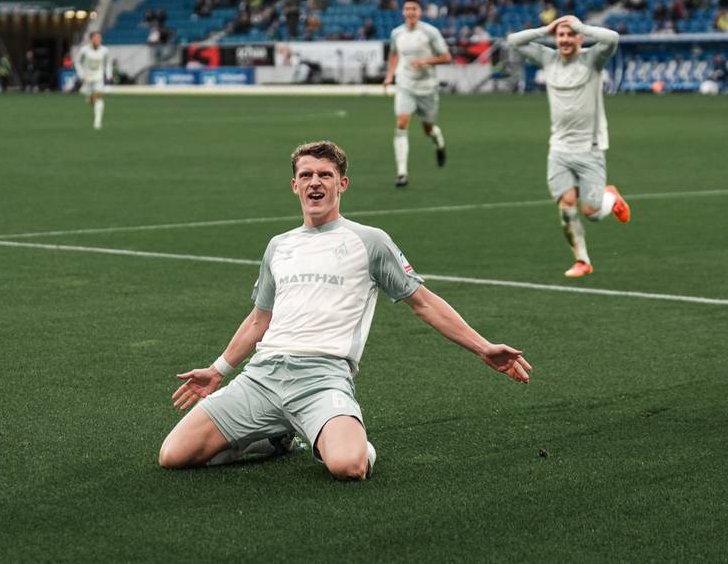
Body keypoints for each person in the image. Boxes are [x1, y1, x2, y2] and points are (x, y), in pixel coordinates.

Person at [158, 141, 532, 480]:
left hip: (323, 378)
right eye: (306, 175)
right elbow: (260, 318)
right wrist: (218, 370)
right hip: (263, 376)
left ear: (342, 184)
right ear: (294, 185)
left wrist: (483, 347)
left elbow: (424, 303)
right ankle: (273, 439)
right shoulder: (278, 246)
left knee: (349, 467)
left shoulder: (370, 241)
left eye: (325, 175)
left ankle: (338, 438)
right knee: (173, 455)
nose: (315, 182)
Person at [507, 15, 631, 278]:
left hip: (590, 148)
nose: (564, 40)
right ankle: (582, 260)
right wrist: (546, 29)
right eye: (560, 35)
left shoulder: (592, 60)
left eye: (569, 35)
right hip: (559, 149)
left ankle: (611, 197)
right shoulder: (548, 58)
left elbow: (613, 38)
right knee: (566, 207)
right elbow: (513, 41)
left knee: (592, 212)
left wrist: (580, 26)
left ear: (579, 39)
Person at [383, 0, 452, 188]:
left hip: (428, 87)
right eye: (407, 9)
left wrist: (424, 62)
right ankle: (402, 173)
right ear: (403, 12)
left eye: (414, 9)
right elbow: (393, 54)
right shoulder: (397, 33)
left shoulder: (430, 32)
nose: (410, 12)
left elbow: (446, 57)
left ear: (419, 12)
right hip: (405, 84)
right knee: (402, 123)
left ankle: (439, 143)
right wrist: (389, 76)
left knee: (428, 128)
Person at [74, 31, 110, 130]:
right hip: (87, 78)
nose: (99, 40)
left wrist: (108, 75)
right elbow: (77, 62)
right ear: (91, 39)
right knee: (90, 100)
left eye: (100, 38)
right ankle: (90, 99)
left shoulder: (105, 50)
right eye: (96, 38)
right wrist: (81, 75)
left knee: (99, 98)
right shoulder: (84, 51)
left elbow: (107, 63)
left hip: (98, 77)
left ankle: (97, 123)